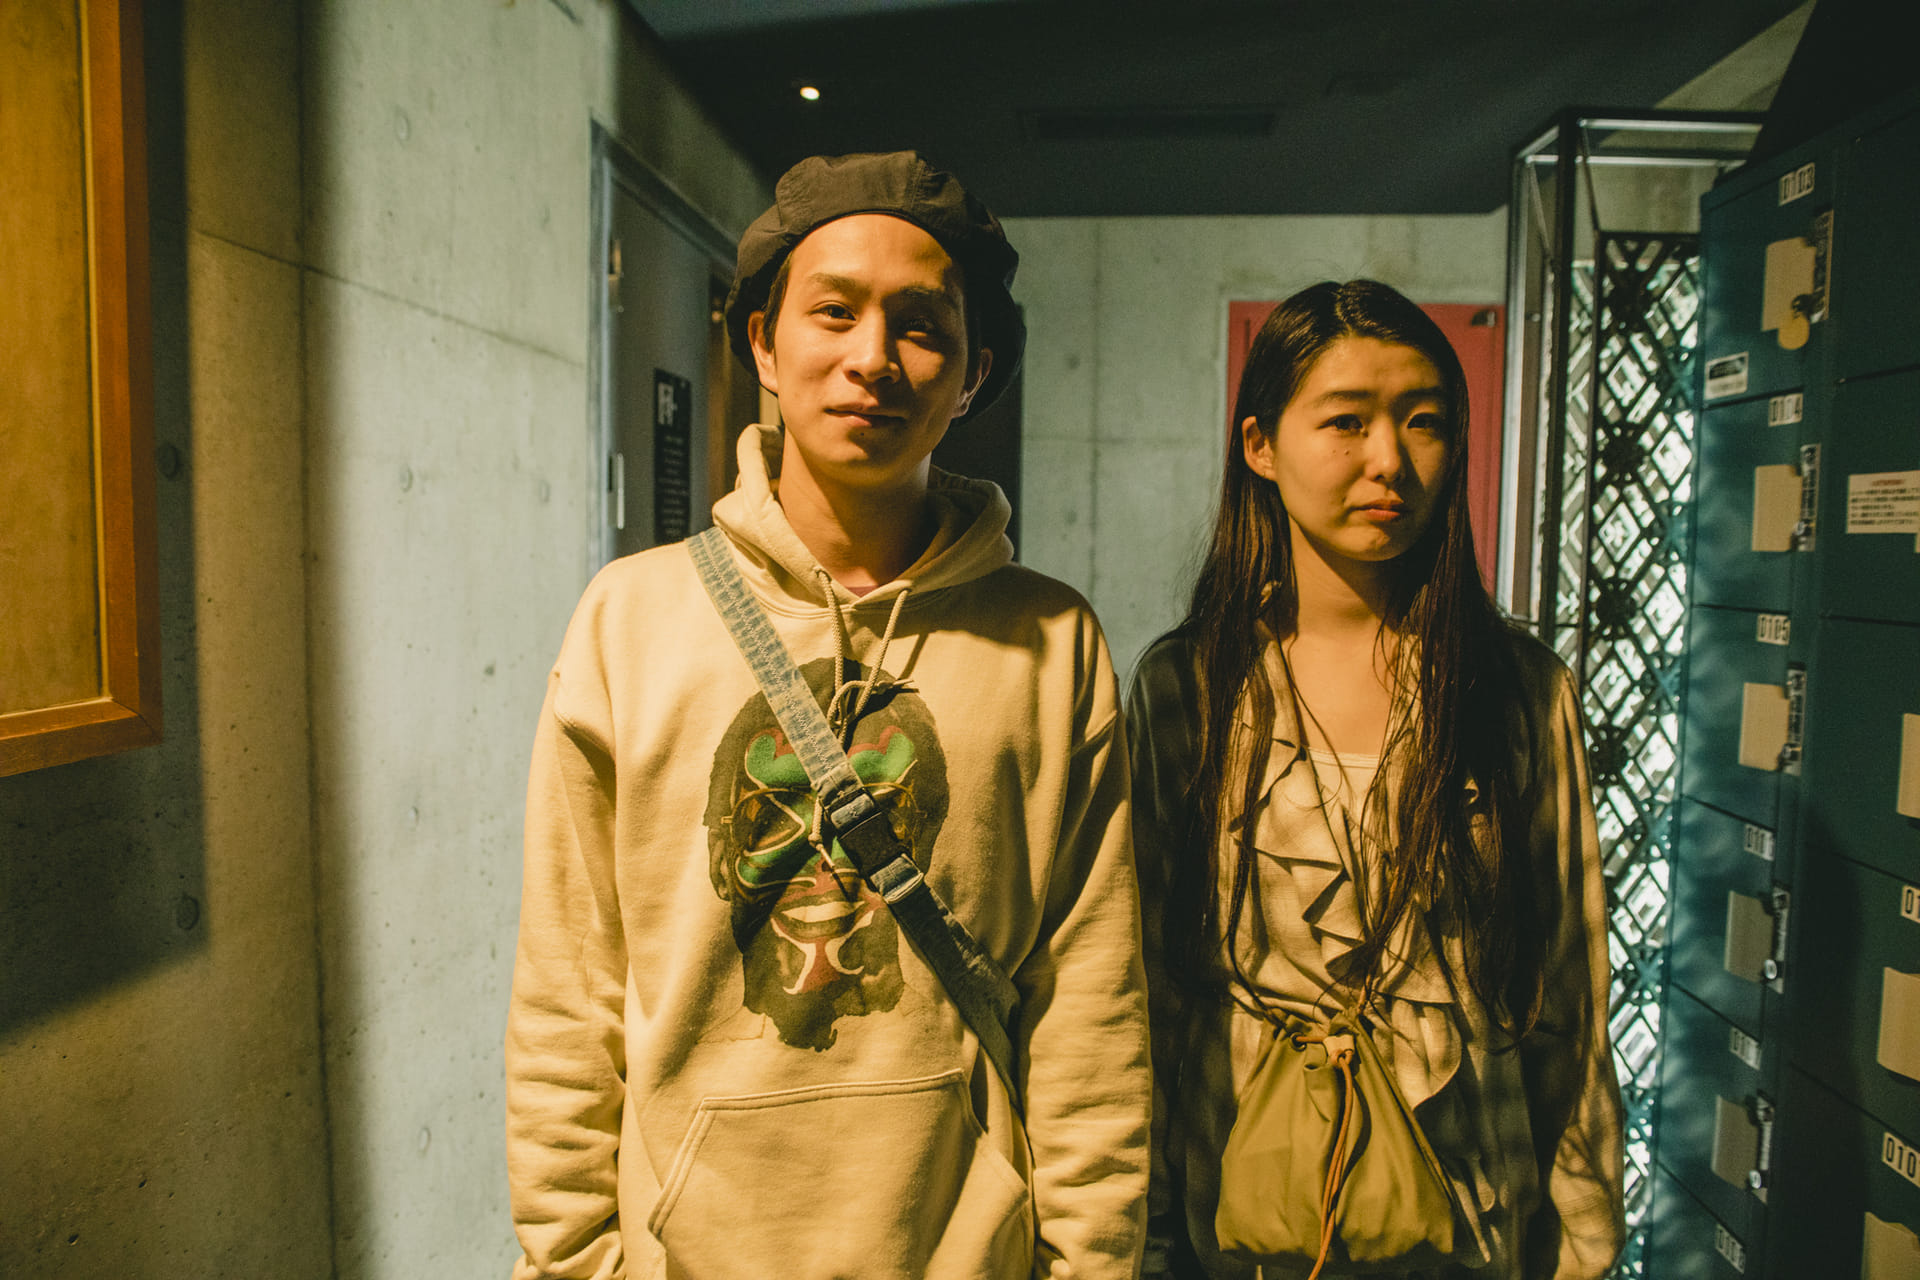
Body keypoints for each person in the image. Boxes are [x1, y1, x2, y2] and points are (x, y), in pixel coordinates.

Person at [506, 151, 1150, 1280]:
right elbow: (571, 991)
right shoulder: (630, 619)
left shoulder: (1050, 642)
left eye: (921, 325)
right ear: (763, 343)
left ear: (973, 372)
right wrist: (572, 1260)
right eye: (835, 311)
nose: (872, 358)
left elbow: (1089, 1003)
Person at [1128, 280, 1625, 1279]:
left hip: (1472, 1215)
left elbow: (1568, 988)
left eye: (1423, 421)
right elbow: (1146, 982)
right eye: (1347, 421)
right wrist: (1143, 1235)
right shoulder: (1194, 683)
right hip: (1246, 1211)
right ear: (1261, 445)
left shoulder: (1517, 689)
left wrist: (1583, 1236)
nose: (1389, 459)